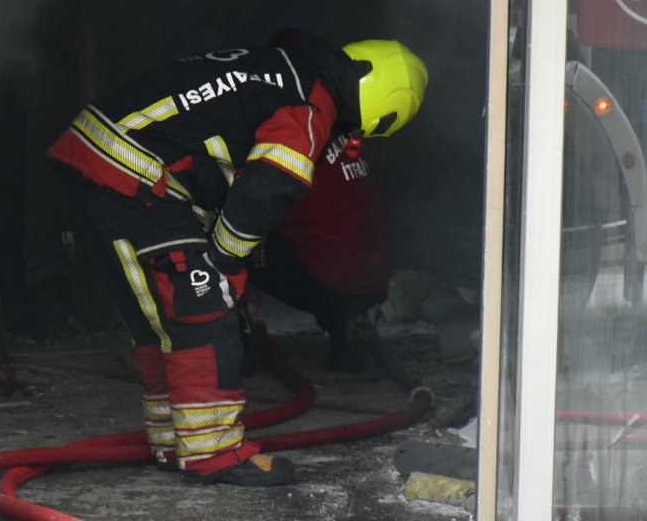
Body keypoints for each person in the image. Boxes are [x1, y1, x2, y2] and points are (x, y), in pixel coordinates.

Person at [47, 32, 427, 486]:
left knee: (158, 318)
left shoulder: (285, 72)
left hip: (102, 150)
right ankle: (213, 454)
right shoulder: (311, 104)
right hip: (136, 166)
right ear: (381, 109)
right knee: (202, 305)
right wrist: (225, 261)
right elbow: (268, 186)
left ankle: (176, 444)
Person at [246, 30, 397, 373]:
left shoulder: (290, 121)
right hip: (373, 278)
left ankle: (235, 343)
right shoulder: (353, 120)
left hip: (329, 278)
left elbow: (259, 199)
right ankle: (348, 325)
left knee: (228, 232)